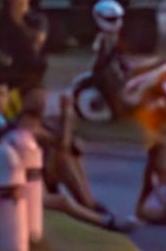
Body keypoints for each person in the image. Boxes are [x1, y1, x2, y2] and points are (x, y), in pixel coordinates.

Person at [12, 93, 132, 232]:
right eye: (36, 96)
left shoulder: (42, 123)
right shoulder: (25, 127)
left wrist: (68, 125)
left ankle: (90, 203)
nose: (42, 101)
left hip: (39, 177)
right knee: (63, 194)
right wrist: (67, 114)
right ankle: (104, 220)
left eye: (42, 96)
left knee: (68, 158)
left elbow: (67, 144)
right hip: (25, 183)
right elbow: (62, 143)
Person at [0, 0, 50, 120]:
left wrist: (18, 19)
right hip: (3, 80)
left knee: (37, 100)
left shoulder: (37, 20)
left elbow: (36, 43)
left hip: (29, 80)